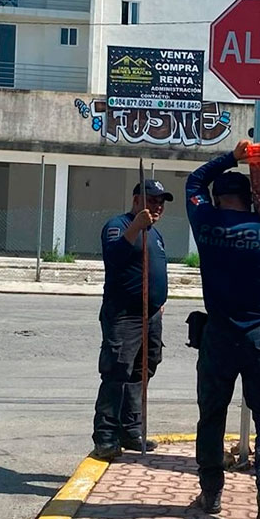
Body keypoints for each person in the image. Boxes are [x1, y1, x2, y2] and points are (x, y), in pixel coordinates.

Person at [185, 140, 260, 519]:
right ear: (250, 201)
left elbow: (194, 182)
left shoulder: (206, 223)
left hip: (219, 335)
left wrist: (232, 157)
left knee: (211, 415)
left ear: (218, 199)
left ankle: (212, 491)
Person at [92, 179, 173, 459]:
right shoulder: (119, 225)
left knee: (143, 370)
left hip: (151, 315)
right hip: (124, 315)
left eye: (161, 202)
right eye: (152, 200)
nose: (158, 206)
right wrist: (135, 226)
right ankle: (105, 437)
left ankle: (131, 430)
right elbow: (114, 258)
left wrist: (160, 301)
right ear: (137, 200)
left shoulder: (156, 234)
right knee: (117, 373)